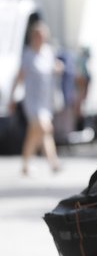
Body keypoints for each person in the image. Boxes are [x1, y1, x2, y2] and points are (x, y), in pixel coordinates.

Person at [9, 21, 62, 175]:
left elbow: (52, 70)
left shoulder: (48, 52)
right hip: (32, 100)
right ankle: (53, 161)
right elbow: (19, 76)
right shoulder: (28, 54)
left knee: (35, 133)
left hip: (46, 98)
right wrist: (12, 98)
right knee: (45, 128)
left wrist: (58, 68)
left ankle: (26, 164)